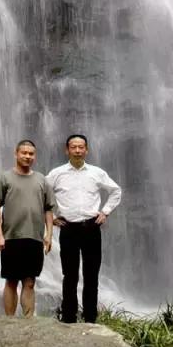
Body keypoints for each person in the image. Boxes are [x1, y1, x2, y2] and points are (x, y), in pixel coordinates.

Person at [47, 134, 121, 324]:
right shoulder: (57, 174)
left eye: (81, 147)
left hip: (91, 227)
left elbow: (115, 191)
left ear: (86, 150)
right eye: (74, 147)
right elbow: (40, 194)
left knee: (91, 275)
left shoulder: (97, 173)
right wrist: (51, 217)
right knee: (69, 275)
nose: (78, 150)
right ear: (67, 150)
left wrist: (105, 212)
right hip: (68, 228)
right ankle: (69, 318)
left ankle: (90, 318)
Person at [0, 139, 55, 317]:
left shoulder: (42, 180)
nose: (27, 156)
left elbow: (49, 209)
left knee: (30, 281)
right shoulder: (3, 178)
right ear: (16, 154)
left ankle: (28, 321)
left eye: (31, 153)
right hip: (11, 237)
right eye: (24, 153)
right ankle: (10, 322)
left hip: (34, 238)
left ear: (35, 156)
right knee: (11, 280)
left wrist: (49, 235)